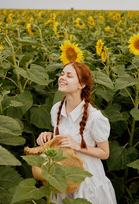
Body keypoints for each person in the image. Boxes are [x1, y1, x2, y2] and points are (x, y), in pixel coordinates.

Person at [37, 61, 117, 204]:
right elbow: (61, 137)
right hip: (62, 177)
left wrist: (77, 146)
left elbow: (105, 153)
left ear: (81, 85)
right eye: (62, 74)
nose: (62, 78)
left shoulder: (95, 117)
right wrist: (49, 136)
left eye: (69, 75)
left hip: (86, 180)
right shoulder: (56, 109)